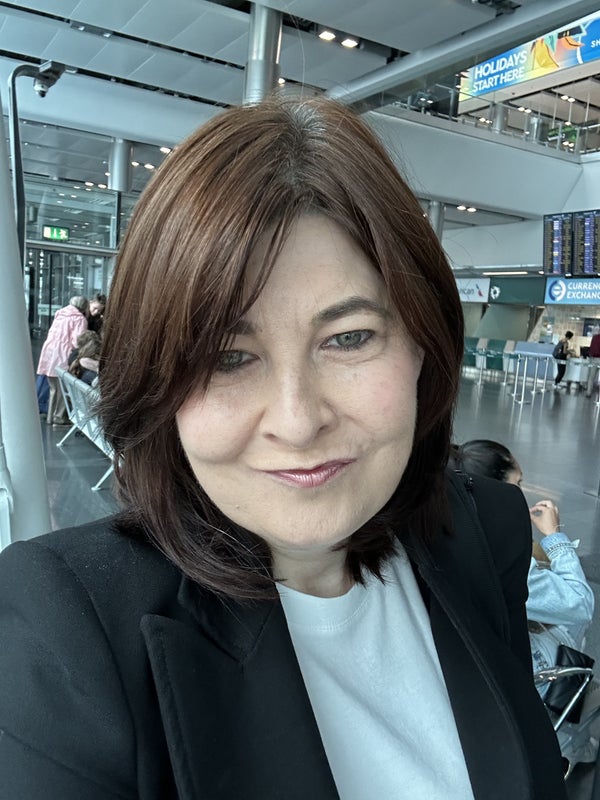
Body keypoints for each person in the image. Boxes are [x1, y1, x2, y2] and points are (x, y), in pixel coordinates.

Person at [0, 98, 566, 798]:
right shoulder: (69, 631)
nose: (298, 423)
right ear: (157, 381)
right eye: (227, 357)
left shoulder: (485, 532)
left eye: (349, 338)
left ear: (424, 345)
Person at [449, 439, 594, 687]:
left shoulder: (448, 535)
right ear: (496, 492)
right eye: (517, 485)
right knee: (571, 623)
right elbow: (581, 604)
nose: (521, 494)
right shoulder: (501, 559)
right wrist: (555, 537)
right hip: (520, 677)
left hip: (463, 672)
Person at [35, 295, 89, 425]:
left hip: (49, 351)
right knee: (64, 388)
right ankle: (58, 417)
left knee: (53, 388)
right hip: (63, 353)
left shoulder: (60, 314)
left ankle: (50, 417)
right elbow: (77, 342)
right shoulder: (79, 319)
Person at [586, 325, 600, 398]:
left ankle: (588, 392)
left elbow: (591, 348)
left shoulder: (594, 338)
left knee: (591, 377)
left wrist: (591, 355)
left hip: (594, 359)